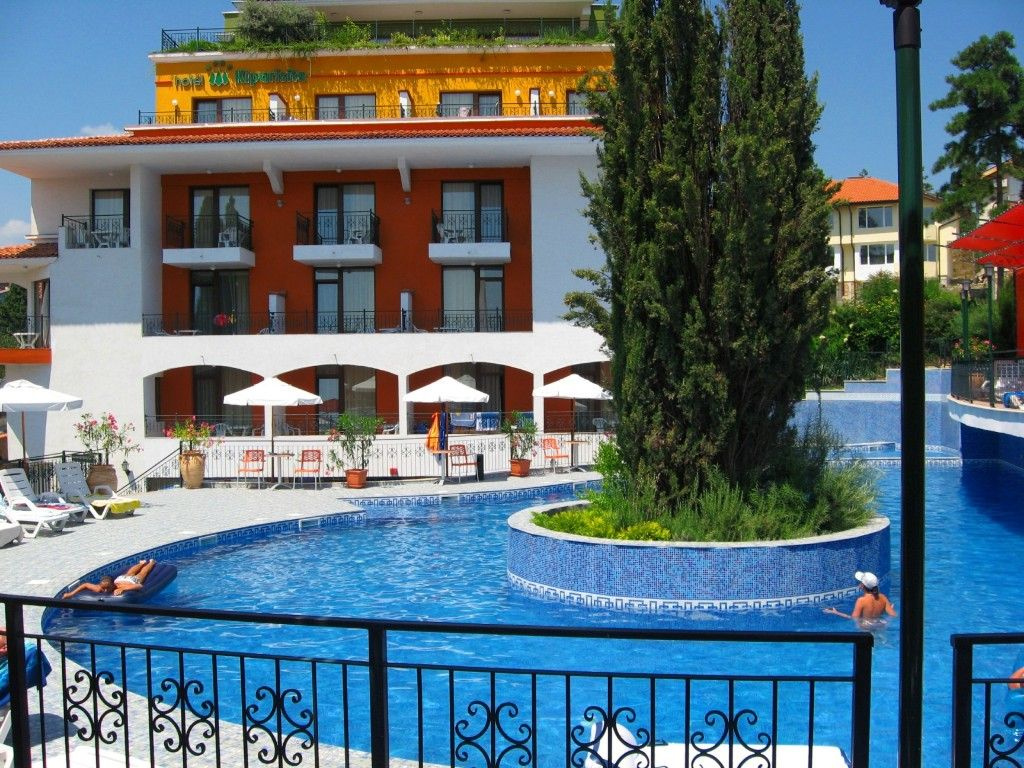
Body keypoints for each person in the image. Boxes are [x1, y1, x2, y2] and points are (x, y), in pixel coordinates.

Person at [823, 571, 897, 628]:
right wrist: (884, 615)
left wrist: (836, 612)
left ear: (862, 586)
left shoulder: (861, 601)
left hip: (865, 629)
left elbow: (854, 619)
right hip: (880, 627)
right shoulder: (883, 597)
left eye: (860, 582)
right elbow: (893, 615)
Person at [62, 559, 157, 598]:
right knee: (129, 573)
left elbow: (139, 586)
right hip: (120, 578)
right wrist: (71, 594)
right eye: (104, 588)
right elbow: (85, 585)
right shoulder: (99, 588)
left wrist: (123, 589)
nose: (105, 590)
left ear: (112, 585)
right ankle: (141, 563)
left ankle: (151, 563)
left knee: (142, 574)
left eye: (107, 588)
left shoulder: (120, 586)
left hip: (130, 581)